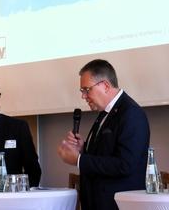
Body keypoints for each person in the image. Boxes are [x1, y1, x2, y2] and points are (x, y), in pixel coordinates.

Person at [58, 59, 150, 210]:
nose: (83, 96)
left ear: (106, 86)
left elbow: (125, 164)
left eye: (87, 90)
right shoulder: (104, 113)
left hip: (116, 204)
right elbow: (106, 152)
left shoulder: (131, 113)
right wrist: (84, 148)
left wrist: (79, 159)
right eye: (82, 91)